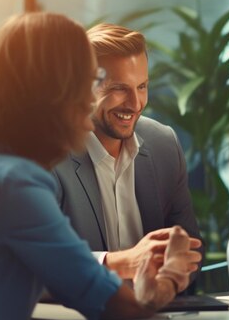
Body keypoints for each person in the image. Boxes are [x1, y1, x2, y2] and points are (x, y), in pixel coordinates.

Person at [0, 12, 202, 320]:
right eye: (88, 83)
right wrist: (166, 277)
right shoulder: (14, 185)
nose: (89, 99)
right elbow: (107, 300)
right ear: (51, 91)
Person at [52, 23, 203, 282]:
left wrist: (172, 274)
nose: (135, 104)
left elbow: (190, 253)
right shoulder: (48, 154)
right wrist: (123, 263)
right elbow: (35, 262)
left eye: (142, 86)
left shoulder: (163, 144)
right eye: (118, 88)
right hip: (77, 318)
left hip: (154, 313)